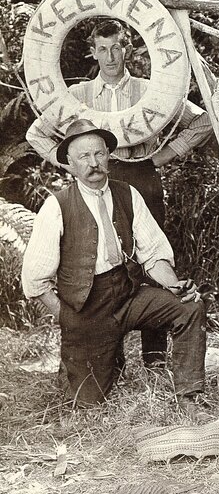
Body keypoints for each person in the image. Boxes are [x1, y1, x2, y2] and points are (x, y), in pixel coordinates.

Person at [26, 19, 214, 367]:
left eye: (117, 47)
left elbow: (203, 121)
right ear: (93, 52)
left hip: (141, 179)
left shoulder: (152, 90)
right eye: (103, 49)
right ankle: (107, 354)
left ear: (127, 48)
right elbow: (36, 133)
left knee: (153, 262)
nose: (110, 56)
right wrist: (70, 162)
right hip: (91, 181)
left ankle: (154, 360)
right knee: (98, 263)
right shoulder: (77, 95)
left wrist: (162, 156)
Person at [20, 119, 207, 408]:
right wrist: (68, 319)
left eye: (98, 154)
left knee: (189, 307)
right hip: (87, 308)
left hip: (128, 294)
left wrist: (175, 286)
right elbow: (35, 280)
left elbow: (153, 252)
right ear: (70, 162)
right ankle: (80, 368)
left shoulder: (128, 194)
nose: (93, 163)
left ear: (109, 155)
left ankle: (189, 397)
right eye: (83, 156)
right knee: (88, 404)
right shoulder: (57, 206)